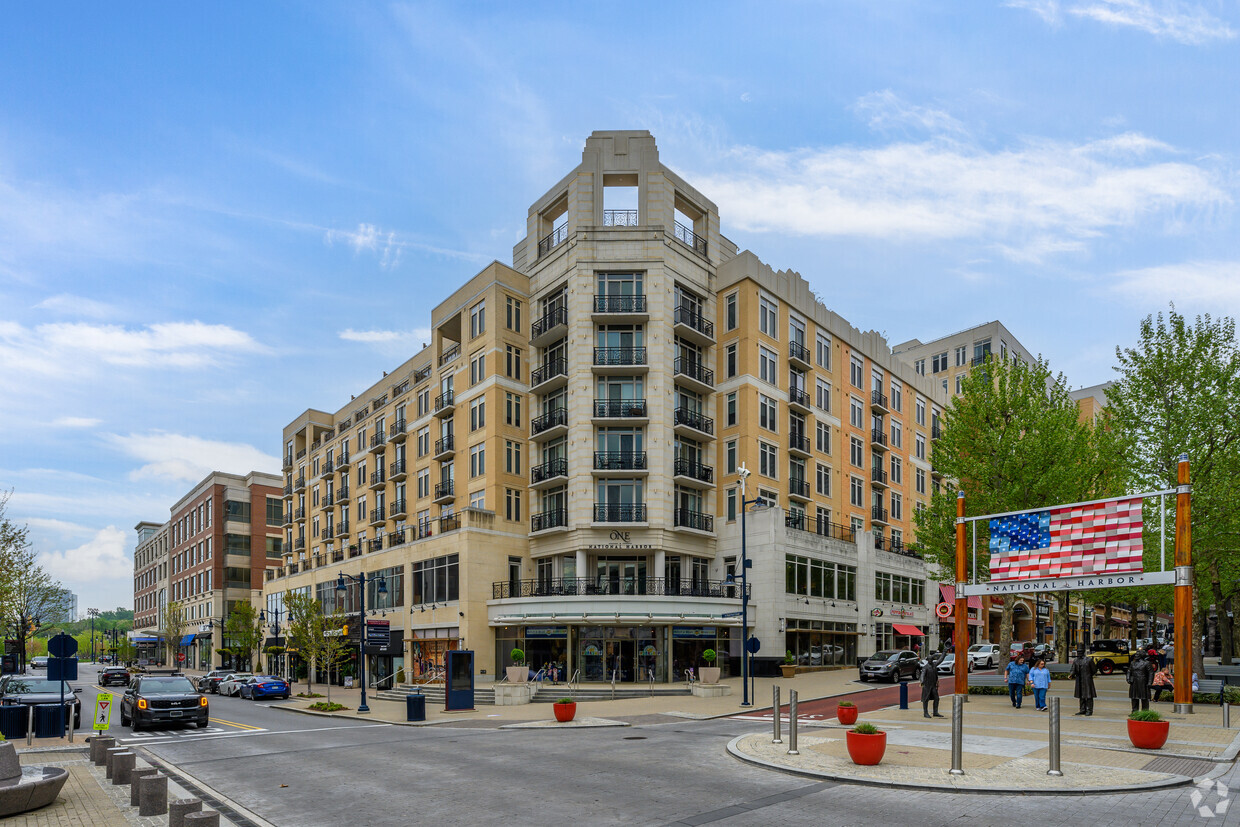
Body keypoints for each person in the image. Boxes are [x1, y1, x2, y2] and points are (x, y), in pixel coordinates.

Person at [1069, 646, 1097, 716]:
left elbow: (1094, 670)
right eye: (1078, 652)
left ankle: (1089, 710)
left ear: (1083, 652)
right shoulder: (1076, 660)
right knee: (1081, 695)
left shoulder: (1089, 660)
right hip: (1079, 680)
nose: (1079, 653)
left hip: (1087, 680)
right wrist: (1071, 674)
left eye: (1080, 652)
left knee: (1088, 695)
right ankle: (1082, 709)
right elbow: (1073, 669)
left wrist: (1088, 675)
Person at [920, 652, 945, 718]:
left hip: (933, 685)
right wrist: (922, 681)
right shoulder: (925, 667)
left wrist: (944, 652)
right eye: (929, 659)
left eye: (931, 659)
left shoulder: (934, 665)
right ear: (927, 660)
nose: (930, 660)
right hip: (927, 686)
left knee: (936, 698)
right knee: (925, 699)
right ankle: (925, 713)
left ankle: (935, 712)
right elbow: (922, 674)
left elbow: (941, 660)